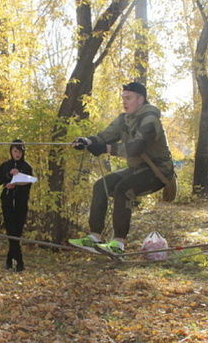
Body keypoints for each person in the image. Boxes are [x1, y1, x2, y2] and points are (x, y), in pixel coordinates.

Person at [69, 82, 174, 255]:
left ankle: (118, 244)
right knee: (101, 185)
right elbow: (104, 136)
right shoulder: (124, 119)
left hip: (157, 173)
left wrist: (105, 149)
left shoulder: (150, 120)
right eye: (123, 98)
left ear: (141, 99)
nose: (124, 102)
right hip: (136, 169)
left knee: (122, 189)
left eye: (129, 98)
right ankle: (94, 238)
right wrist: (86, 141)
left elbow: (136, 147)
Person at [0, 139, 33, 272]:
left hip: (21, 202)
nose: (17, 154)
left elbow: (28, 186)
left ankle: (10, 261)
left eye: (20, 151)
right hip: (7, 201)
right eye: (15, 151)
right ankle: (19, 263)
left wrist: (17, 185)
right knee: (11, 231)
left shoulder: (27, 167)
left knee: (17, 232)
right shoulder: (5, 165)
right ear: (11, 151)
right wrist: (8, 175)